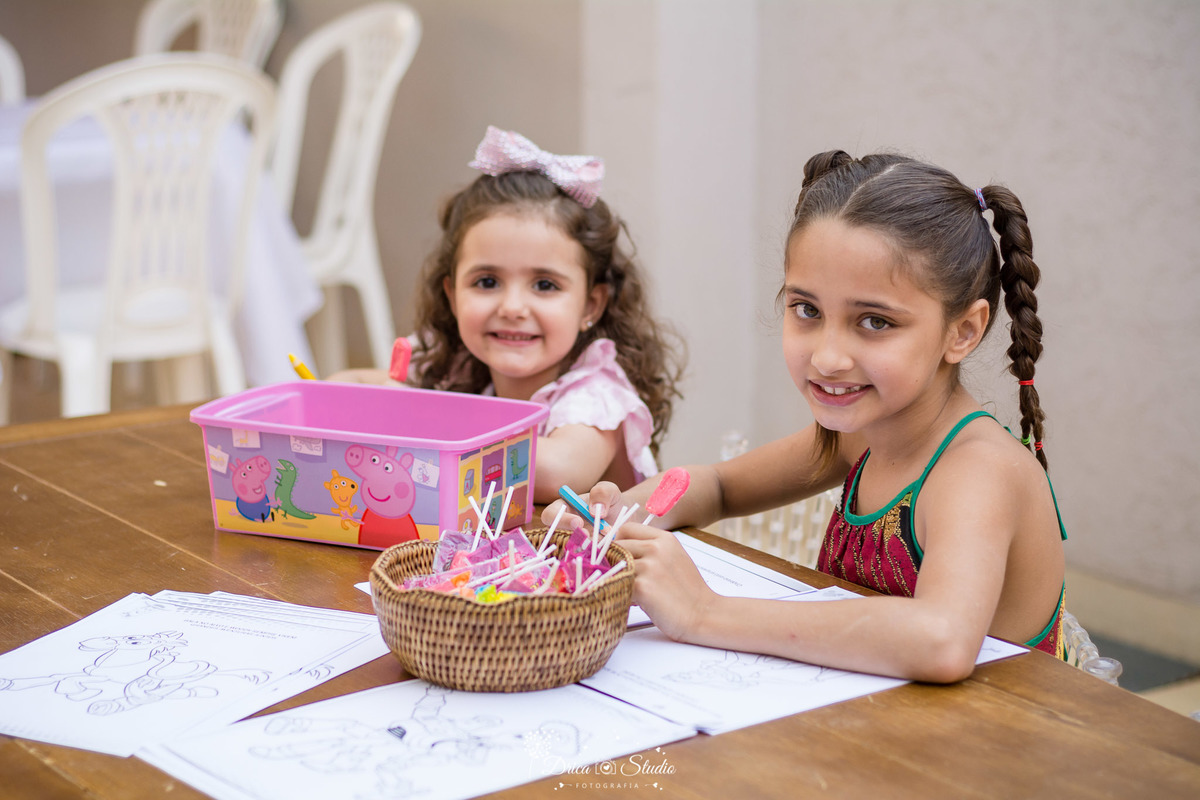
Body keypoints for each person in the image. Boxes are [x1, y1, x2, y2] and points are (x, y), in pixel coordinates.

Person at [547, 150, 1068, 684]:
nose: (826, 357)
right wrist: (614, 518)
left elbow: (942, 638)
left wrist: (704, 612)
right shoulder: (862, 436)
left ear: (962, 331)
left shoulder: (976, 472)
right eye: (807, 311)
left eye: (874, 321)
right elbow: (721, 487)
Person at [331, 127, 684, 503]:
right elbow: (348, 385)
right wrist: (385, 398)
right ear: (452, 295)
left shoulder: (595, 394)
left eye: (545, 285)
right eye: (486, 282)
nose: (512, 308)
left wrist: (417, 414)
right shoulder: (458, 366)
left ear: (590, 306)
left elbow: (554, 473)